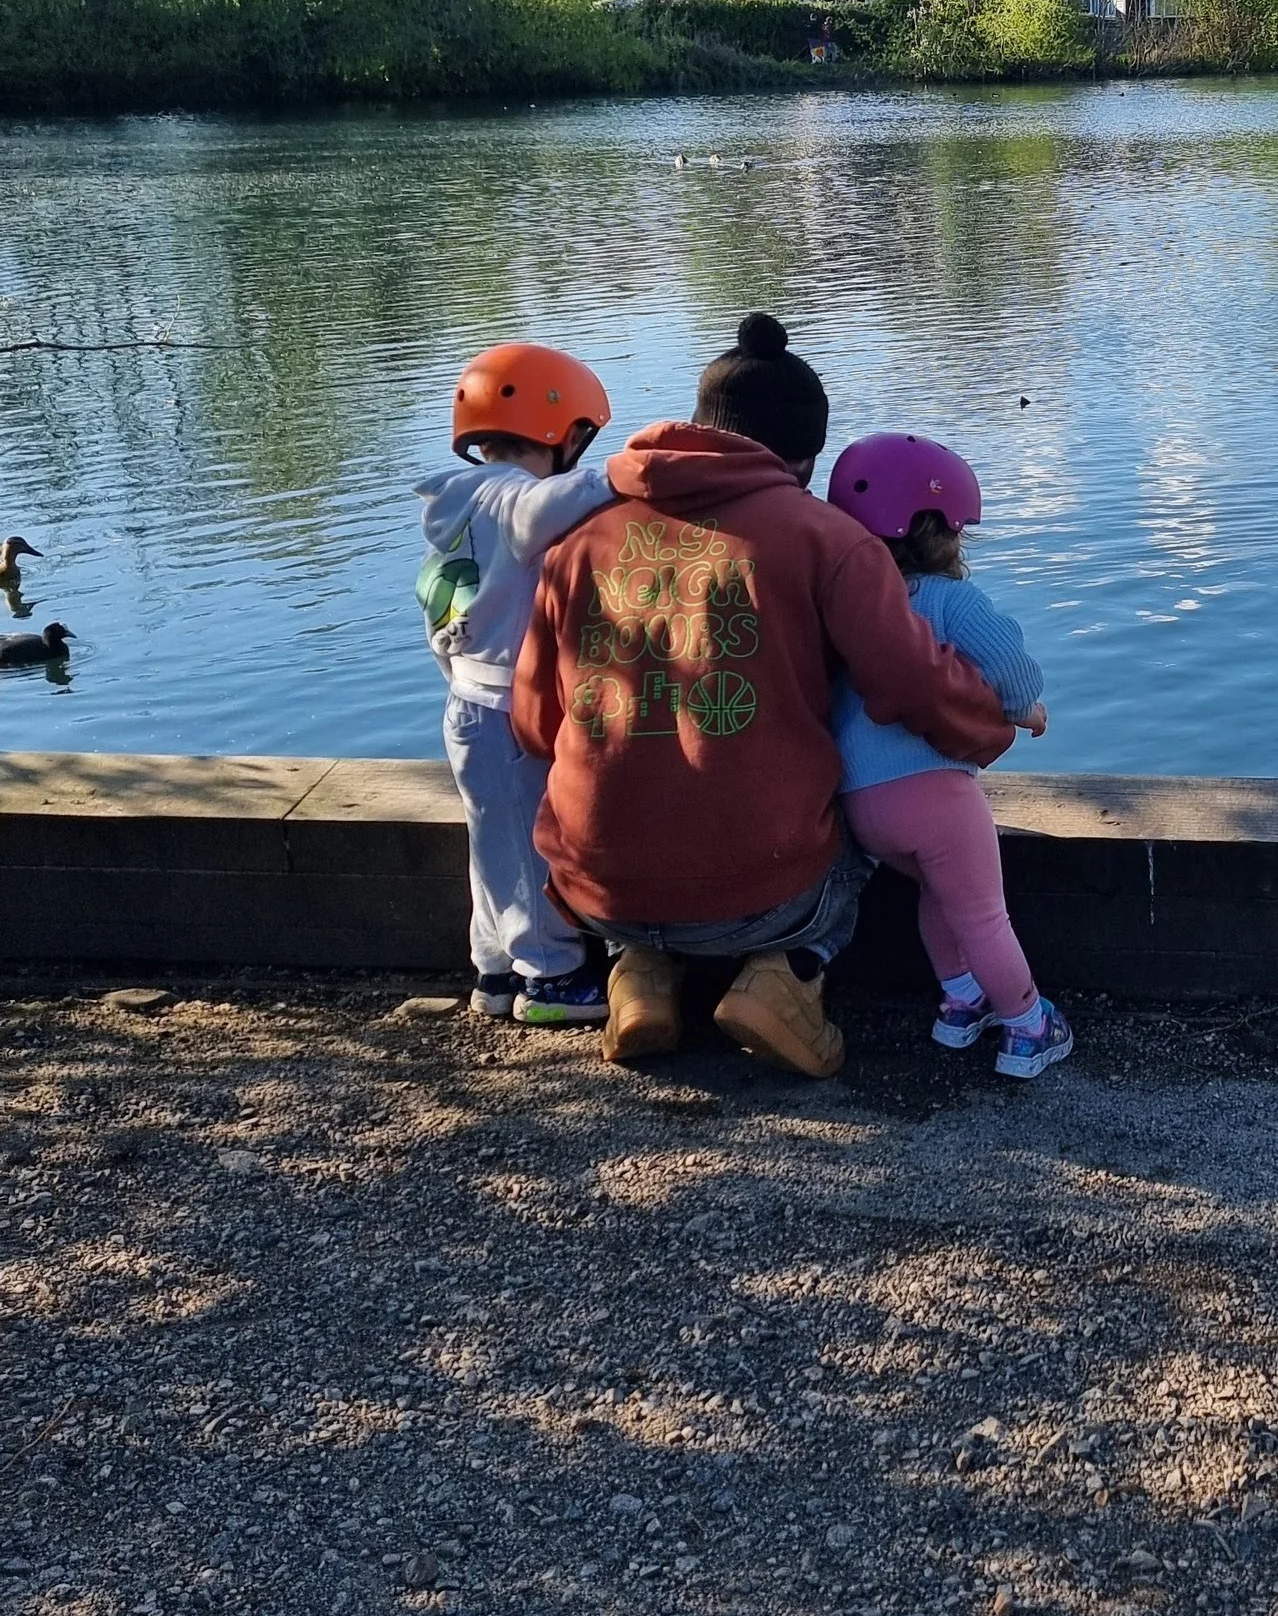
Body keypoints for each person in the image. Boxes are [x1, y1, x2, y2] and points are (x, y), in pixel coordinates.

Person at [509, 313, 1013, 1079]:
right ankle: (789, 978)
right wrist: (991, 725)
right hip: (762, 896)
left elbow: (534, 723)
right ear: (805, 460)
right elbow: (911, 684)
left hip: (595, 889)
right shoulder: (824, 539)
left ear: (700, 425)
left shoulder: (580, 540)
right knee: (867, 815)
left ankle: (641, 971)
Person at [825, 431, 1071, 1080]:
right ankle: (1027, 1025)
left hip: (863, 804)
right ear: (944, 529)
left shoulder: (846, 611)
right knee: (985, 912)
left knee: (940, 892)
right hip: (933, 793)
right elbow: (1009, 664)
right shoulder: (946, 598)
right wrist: (1026, 709)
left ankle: (960, 1005)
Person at [416, 342, 618, 1027]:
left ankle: (494, 969)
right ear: (560, 433)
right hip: (504, 704)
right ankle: (552, 977)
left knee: (492, 840)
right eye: (585, 445)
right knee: (530, 842)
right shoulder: (511, 497)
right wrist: (626, 475)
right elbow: (545, 509)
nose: (586, 462)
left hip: (467, 696)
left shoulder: (460, 501)